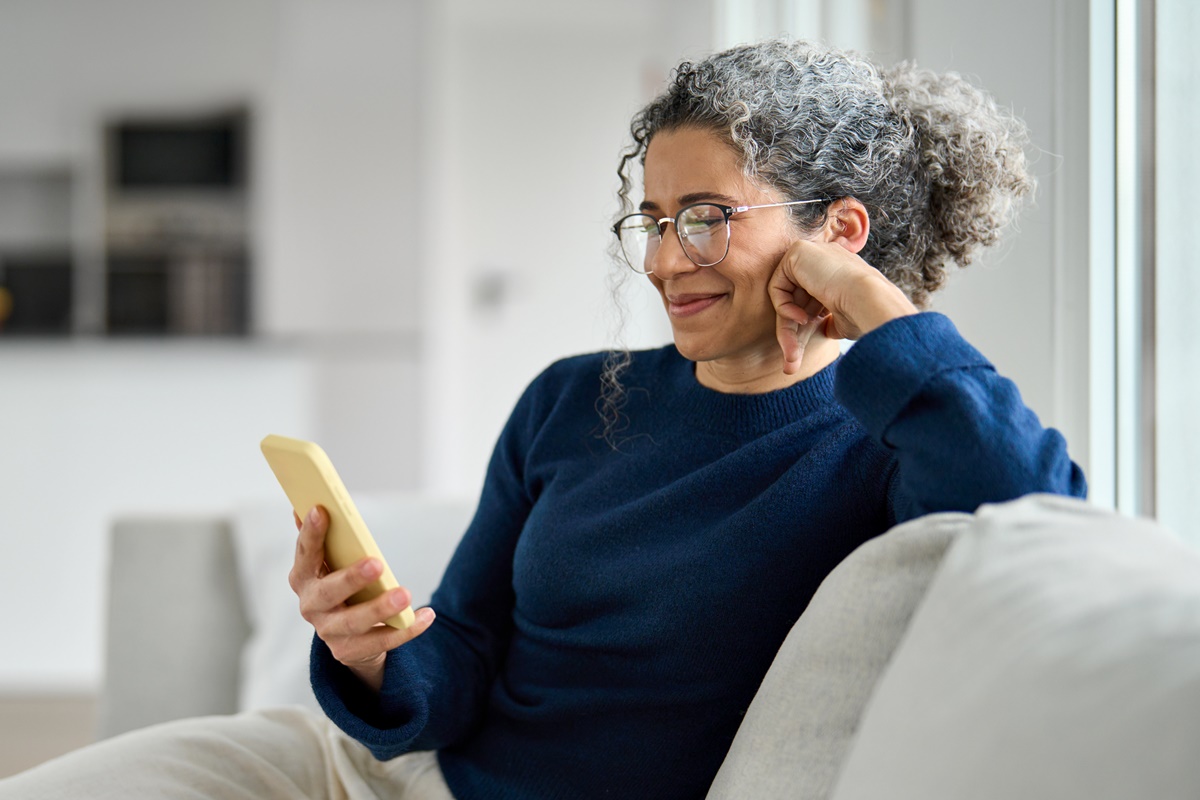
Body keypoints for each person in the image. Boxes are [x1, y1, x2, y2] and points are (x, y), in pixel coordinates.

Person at [0, 38, 1085, 800]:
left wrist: (874, 307)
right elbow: (462, 654)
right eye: (653, 218)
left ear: (838, 232)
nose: (665, 258)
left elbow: (1044, 515)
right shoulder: (573, 397)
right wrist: (371, 650)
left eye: (707, 217)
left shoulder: (881, 436)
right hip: (359, 771)